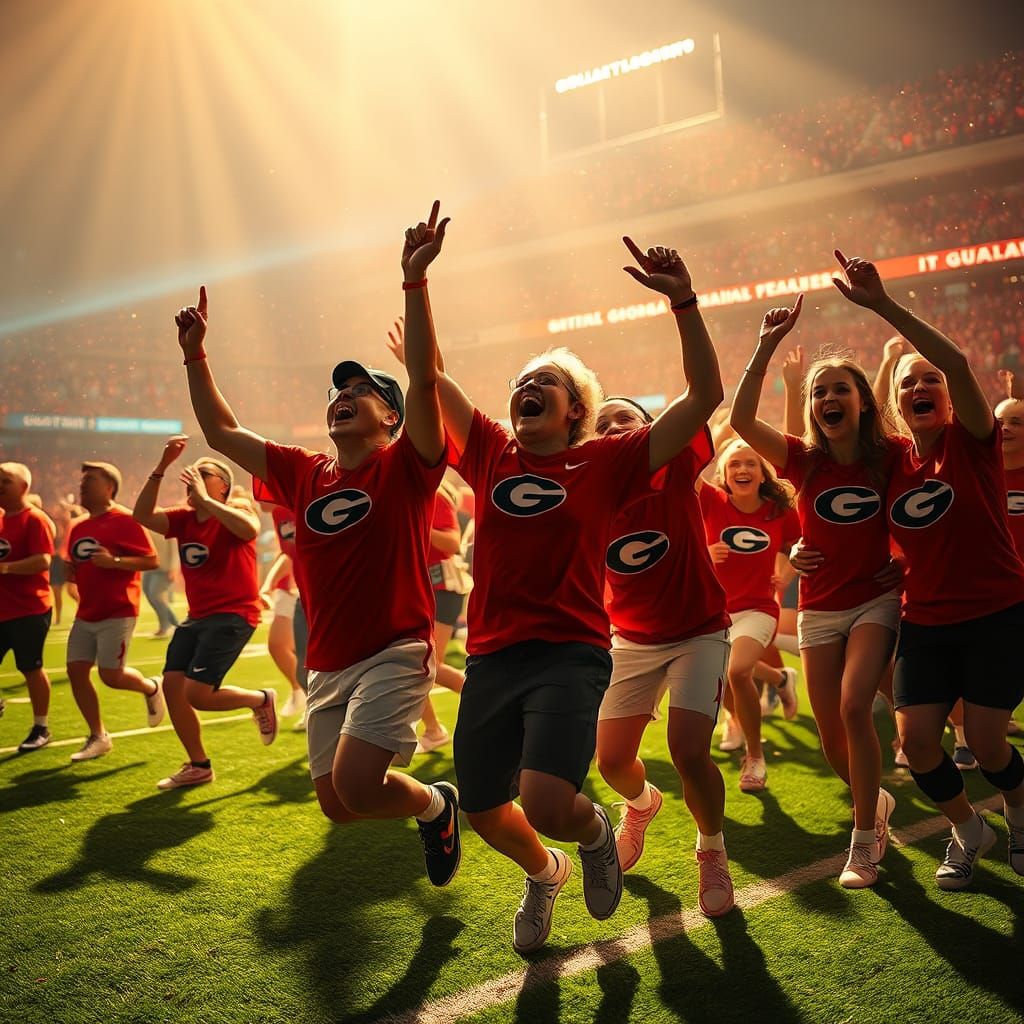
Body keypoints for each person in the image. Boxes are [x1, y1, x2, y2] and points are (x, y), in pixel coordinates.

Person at [405, 232, 723, 951]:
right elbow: (424, 378)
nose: (528, 385)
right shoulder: (489, 449)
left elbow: (706, 395)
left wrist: (683, 301)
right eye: (522, 379)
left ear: (576, 408)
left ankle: (593, 829)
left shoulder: (606, 460)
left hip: (570, 653)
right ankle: (544, 873)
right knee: (486, 809)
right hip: (491, 656)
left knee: (548, 799)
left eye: (544, 380)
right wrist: (414, 283)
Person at [172, 202, 461, 889]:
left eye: (361, 390)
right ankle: (433, 804)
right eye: (337, 389)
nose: (343, 395)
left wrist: (414, 283)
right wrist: (195, 355)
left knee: (361, 781)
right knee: (340, 805)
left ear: (391, 418)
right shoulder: (304, 470)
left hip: (395, 647)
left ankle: (431, 800)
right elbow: (221, 432)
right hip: (327, 659)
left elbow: (425, 382)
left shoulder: (407, 466)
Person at [832, 250, 1024, 889]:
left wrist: (884, 305)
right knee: (917, 745)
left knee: (991, 746)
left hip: (996, 612)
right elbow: (840, 511)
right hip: (927, 621)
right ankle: (969, 829)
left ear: (949, 396)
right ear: (894, 401)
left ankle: (1019, 809)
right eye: (908, 383)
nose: (921, 388)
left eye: (931, 381)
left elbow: (960, 364)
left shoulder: (973, 442)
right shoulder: (891, 466)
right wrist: (812, 552)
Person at [730, 288, 904, 890]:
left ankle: (863, 843)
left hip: (875, 604)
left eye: (841, 389)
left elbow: (927, 512)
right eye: (819, 391)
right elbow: (740, 422)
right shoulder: (804, 462)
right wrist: (765, 348)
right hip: (819, 609)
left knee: (858, 706)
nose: (830, 397)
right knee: (833, 740)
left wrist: (903, 561)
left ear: (863, 401)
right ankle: (873, 803)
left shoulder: (894, 456)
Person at [593, 395, 734, 918]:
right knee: (610, 760)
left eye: (623, 418)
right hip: (630, 639)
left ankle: (712, 850)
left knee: (689, 751)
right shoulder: (587, 491)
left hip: (698, 632)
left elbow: (703, 393)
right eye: (600, 423)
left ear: (651, 428)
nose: (611, 428)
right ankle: (641, 804)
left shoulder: (675, 465)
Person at [133, 437, 277, 789]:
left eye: (204, 473)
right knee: (172, 686)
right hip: (197, 616)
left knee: (198, 694)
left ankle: (261, 699)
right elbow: (142, 516)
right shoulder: (184, 520)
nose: (193, 477)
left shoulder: (237, 512)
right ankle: (199, 765)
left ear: (223, 486)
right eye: (192, 473)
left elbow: (249, 530)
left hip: (233, 614)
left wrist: (210, 502)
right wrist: (161, 467)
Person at [699, 439, 801, 791]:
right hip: (715, 612)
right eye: (734, 465)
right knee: (724, 675)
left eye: (750, 464)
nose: (742, 470)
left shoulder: (778, 510)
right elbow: (681, 532)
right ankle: (780, 680)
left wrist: (786, 573)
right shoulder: (711, 502)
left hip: (759, 608)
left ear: (762, 473)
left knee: (737, 670)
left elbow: (799, 544)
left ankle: (754, 757)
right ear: (724, 475)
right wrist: (705, 552)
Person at [65, 462, 165, 760]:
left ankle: (150, 687)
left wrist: (116, 562)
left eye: (91, 479)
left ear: (109, 486)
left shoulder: (124, 520)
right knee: (76, 671)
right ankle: (98, 735)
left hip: (118, 611)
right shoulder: (77, 526)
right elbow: (77, 567)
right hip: (85, 613)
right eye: (82, 479)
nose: (83, 484)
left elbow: (151, 561)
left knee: (111, 675)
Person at [0, 463, 55, 751]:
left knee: (31, 668)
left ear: (23, 487)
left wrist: (6, 569)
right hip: (2, 609)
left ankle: (41, 727)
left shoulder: (35, 519)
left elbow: (42, 560)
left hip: (29, 609)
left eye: (5, 481)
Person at [259, 503, 305, 721]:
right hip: (293, 588)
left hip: (314, 588)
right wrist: (268, 584)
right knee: (278, 645)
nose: (256, 494)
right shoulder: (278, 512)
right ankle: (301, 691)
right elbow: (287, 553)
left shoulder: (301, 500)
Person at [142, 531, 180, 637]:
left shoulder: (166, 525)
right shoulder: (146, 525)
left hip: (164, 568)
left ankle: (167, 626)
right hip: (149, 566)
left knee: (156, 596)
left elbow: (175, 549)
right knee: (150, 596)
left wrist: (174, 568)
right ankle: (174, 624)